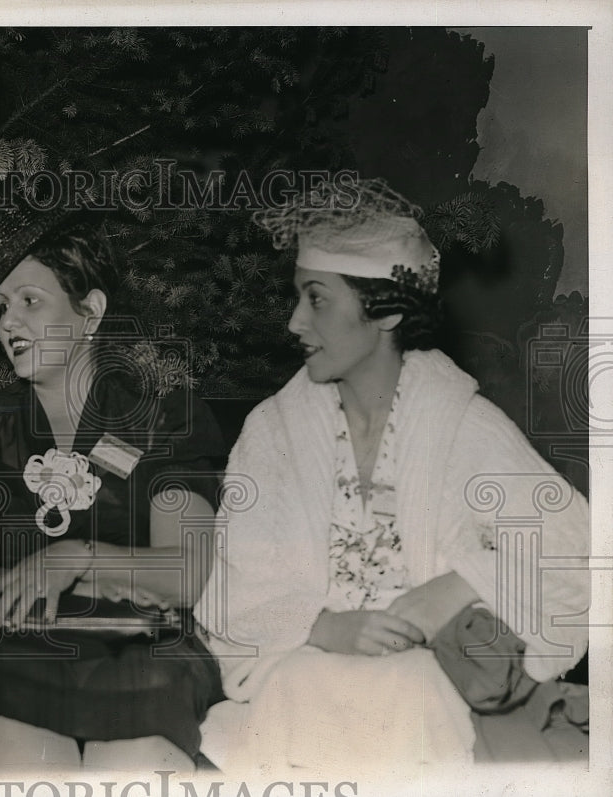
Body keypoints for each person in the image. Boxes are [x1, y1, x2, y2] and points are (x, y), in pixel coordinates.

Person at [194, 179, 590, 775]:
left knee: (408, 690)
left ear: (388, 311)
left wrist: (458, 586)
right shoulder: (272, 431)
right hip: (302, 669)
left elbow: (575, 547)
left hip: (428, 683)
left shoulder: (461, 424)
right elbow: (234, 583)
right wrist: (322, 626)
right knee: (303, 689)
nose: (295, 321)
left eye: (317, 299)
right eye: (298, 297)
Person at [0, 207, 225, 774]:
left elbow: (185, 573)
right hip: (8, 651)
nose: (9, 322)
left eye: (30, 301)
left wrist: (75, 559)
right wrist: (88, 583)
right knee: (17, 753)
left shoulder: (165, 420)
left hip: (139, 653)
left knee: (139, 755)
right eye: (3, 307)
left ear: (91, 312)